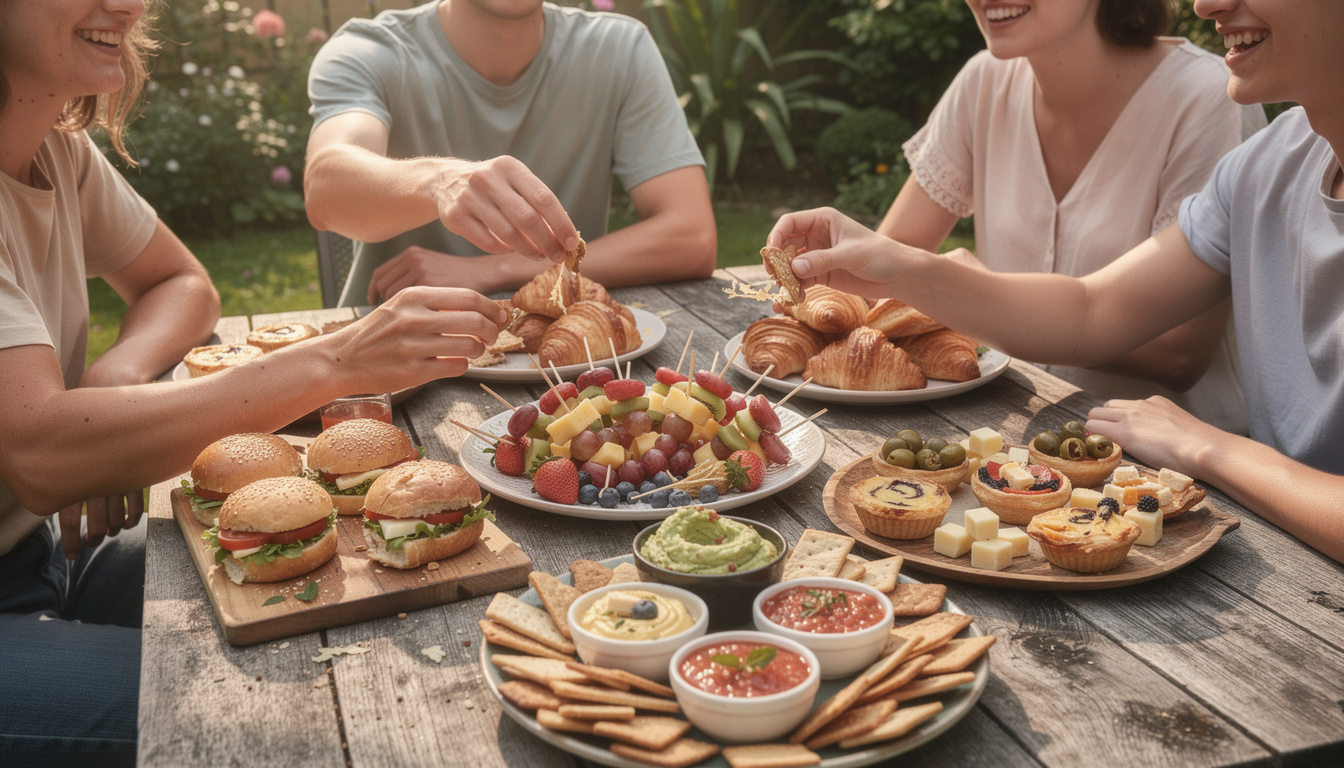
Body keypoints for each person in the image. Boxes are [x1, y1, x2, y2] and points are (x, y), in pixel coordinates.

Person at [0, 1, 508, 764]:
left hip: (44, 556)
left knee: (357, 605)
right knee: (281, 720)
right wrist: (339, 360)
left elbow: (180, 282)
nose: (129, 5)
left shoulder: (57, 153)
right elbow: (40, 451)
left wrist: (116, 377)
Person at [766, 0, 1344, 566]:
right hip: (1277, 552)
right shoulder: (1271, 161)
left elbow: (1170, 354)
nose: (1208, 4)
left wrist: (1212, 448)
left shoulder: (1221, 117)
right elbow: (1092, 312)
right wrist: (896, 264)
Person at [877, 0, 1265, 433]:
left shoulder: (1207, 95)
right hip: (1010, 439)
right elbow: (889, 262)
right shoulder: (983, 81)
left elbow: (1178, 352)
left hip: (1167, 473)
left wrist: (969, 294)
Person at [304, 0, 717, 306]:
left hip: (557, 361)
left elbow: (691, 236)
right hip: (391, 370)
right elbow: (325, 189)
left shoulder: (619, 48)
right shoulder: (370, 50)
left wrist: (492, 270)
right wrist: (439, 181)